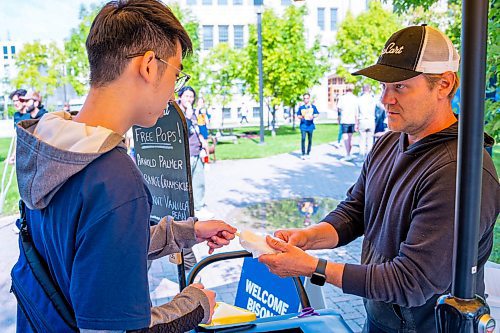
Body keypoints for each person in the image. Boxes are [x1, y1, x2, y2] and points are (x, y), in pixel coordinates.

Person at [11, 1, 237, 332]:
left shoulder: (53, 148)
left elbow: (87, 246)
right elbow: (116, 328)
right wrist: (195, 304)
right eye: (176, 74)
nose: (173, 92)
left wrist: (186, 233)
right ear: (148, 66)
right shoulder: (114, 179)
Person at [259, 25, 499, 333]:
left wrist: (311, 267)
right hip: (380, 319)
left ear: (444, 85)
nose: (385, 99)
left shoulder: (459, 170)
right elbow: (356, 210)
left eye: (399, 87)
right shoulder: (389, 142)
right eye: (383, 86)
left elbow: (411, 281)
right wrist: (308, 238)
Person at [178, 86, 213, 221]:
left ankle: (199, 207)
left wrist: (203, 141)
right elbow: (182, 129)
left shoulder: (195, 112)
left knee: (199, 182)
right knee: (185, 184)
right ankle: (185, 211)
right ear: (180, 96)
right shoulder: (178, 113)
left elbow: (201, 129)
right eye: (186, 96)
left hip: (196, 150)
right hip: (185, 153)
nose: (189, 99)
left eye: (191, 96)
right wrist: (187, 114)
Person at [337, 85, 358, 160]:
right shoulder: (355, 98)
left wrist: (338, 118)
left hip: (344, 120)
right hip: (352, 120)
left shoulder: (342, 98)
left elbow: (339, 109)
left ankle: (348, 154)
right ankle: (349, 153)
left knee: (345, 137)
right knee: (350, 138)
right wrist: (356, 122)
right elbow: (356, 112)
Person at [296, 93, 319, 159]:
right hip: (303, 125)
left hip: (310, 125)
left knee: (310, 139)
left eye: (307, 98)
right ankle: (303, 154)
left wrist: (313, 116)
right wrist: (301, 116)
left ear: (309, 99)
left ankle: (308, 153)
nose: (306, 99)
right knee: (303, 138)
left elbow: (316, 114)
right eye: (304, 98)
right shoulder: (301, 107)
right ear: (303, 99)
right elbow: (298, 115)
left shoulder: (312, 107)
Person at [356, 84, 377, 157]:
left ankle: (361, 156)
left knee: (362, 139)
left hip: (362, 120)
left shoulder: (359, 99)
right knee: (370, 140)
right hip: (371, 120)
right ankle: (369, 157)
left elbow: (357, 112)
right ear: (369, 89)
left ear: (362, 89)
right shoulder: (373, 99)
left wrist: (356, 124)